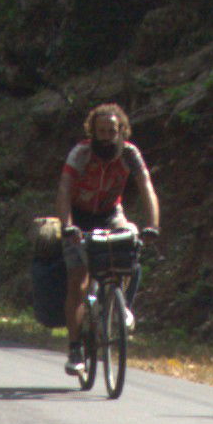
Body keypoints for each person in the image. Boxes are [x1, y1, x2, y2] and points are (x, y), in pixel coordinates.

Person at [56, 99, 160, 329]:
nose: (105, 136)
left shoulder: (130, 153)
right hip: (79, 216)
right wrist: (67, 225)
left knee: (132, 252)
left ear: (121, 131)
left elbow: (147, 187)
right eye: (100, 131)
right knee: (78, 281)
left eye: (111, 131)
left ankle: (120, 308)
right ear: (92, 132)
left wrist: (153, 225)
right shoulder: (81, 153)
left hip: (110, 214)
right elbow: (64, 189)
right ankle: (75, 351)